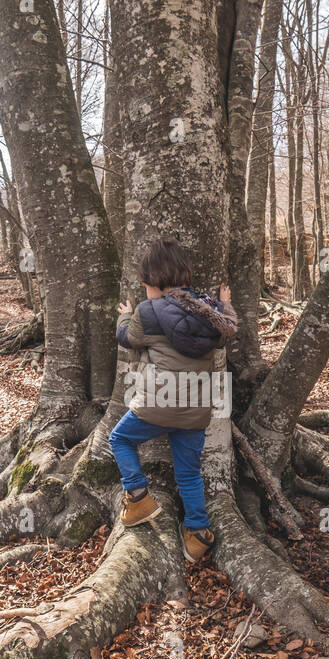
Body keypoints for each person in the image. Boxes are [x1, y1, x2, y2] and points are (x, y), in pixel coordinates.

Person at [109, 239, 238, 562]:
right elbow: (228, 326)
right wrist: (226, 303)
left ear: (151, 282)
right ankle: (197, 534)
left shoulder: (148, 312)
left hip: (157, 404)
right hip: (196, 410)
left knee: (119, 438)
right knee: (189, 473)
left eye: (145, 285)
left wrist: (125, 316)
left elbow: (128, 339)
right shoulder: (209, 310)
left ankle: (138, 496)